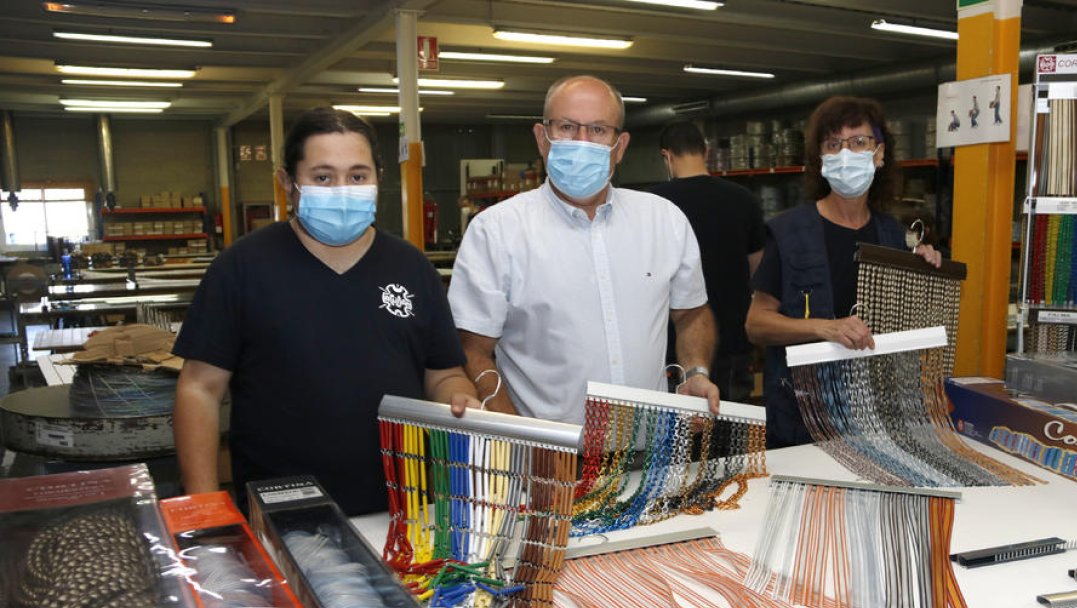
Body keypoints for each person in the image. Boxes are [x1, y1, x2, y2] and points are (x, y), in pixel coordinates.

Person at [173, 107, 479, 515]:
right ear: (288, 183)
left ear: (377, 178)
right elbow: (199, 389)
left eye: (357, 176)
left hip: (404, 506)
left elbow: (443, 373)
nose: (342, 189)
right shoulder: (243, 267)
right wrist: (205, 507)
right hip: (284, 511)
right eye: (322, 177)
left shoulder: (411, 267)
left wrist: (459, 397)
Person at [448, 75, 720, 424]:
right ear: (541, 138)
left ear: (620, 146)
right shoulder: (497, 231)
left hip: (653, 448)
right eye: (566, 127)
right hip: (552, 460)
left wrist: (695, 371)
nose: (581, 142)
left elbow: (692, 313)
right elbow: (472, 350)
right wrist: (523, 441)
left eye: (597, 130)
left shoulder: (663, 220)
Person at [745, 96, 942, 448]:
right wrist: (825, 328)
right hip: (803, 416)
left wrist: (924, 270)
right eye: (834, 144)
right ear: (821, 159)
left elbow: (908, 326)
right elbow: (756, 324)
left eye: (859, 142)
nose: (846, 154)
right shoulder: (788, 232)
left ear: (879, 154)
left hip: (877, 416)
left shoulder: (893, 236)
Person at [649, 120, 766, 403]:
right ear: (707, 151)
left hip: (676, 347)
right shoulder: (744, 199)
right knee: (732, 432)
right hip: (734, 339)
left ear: (666, 156)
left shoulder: (655, 205)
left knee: (679, 436)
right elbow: (758, 268)